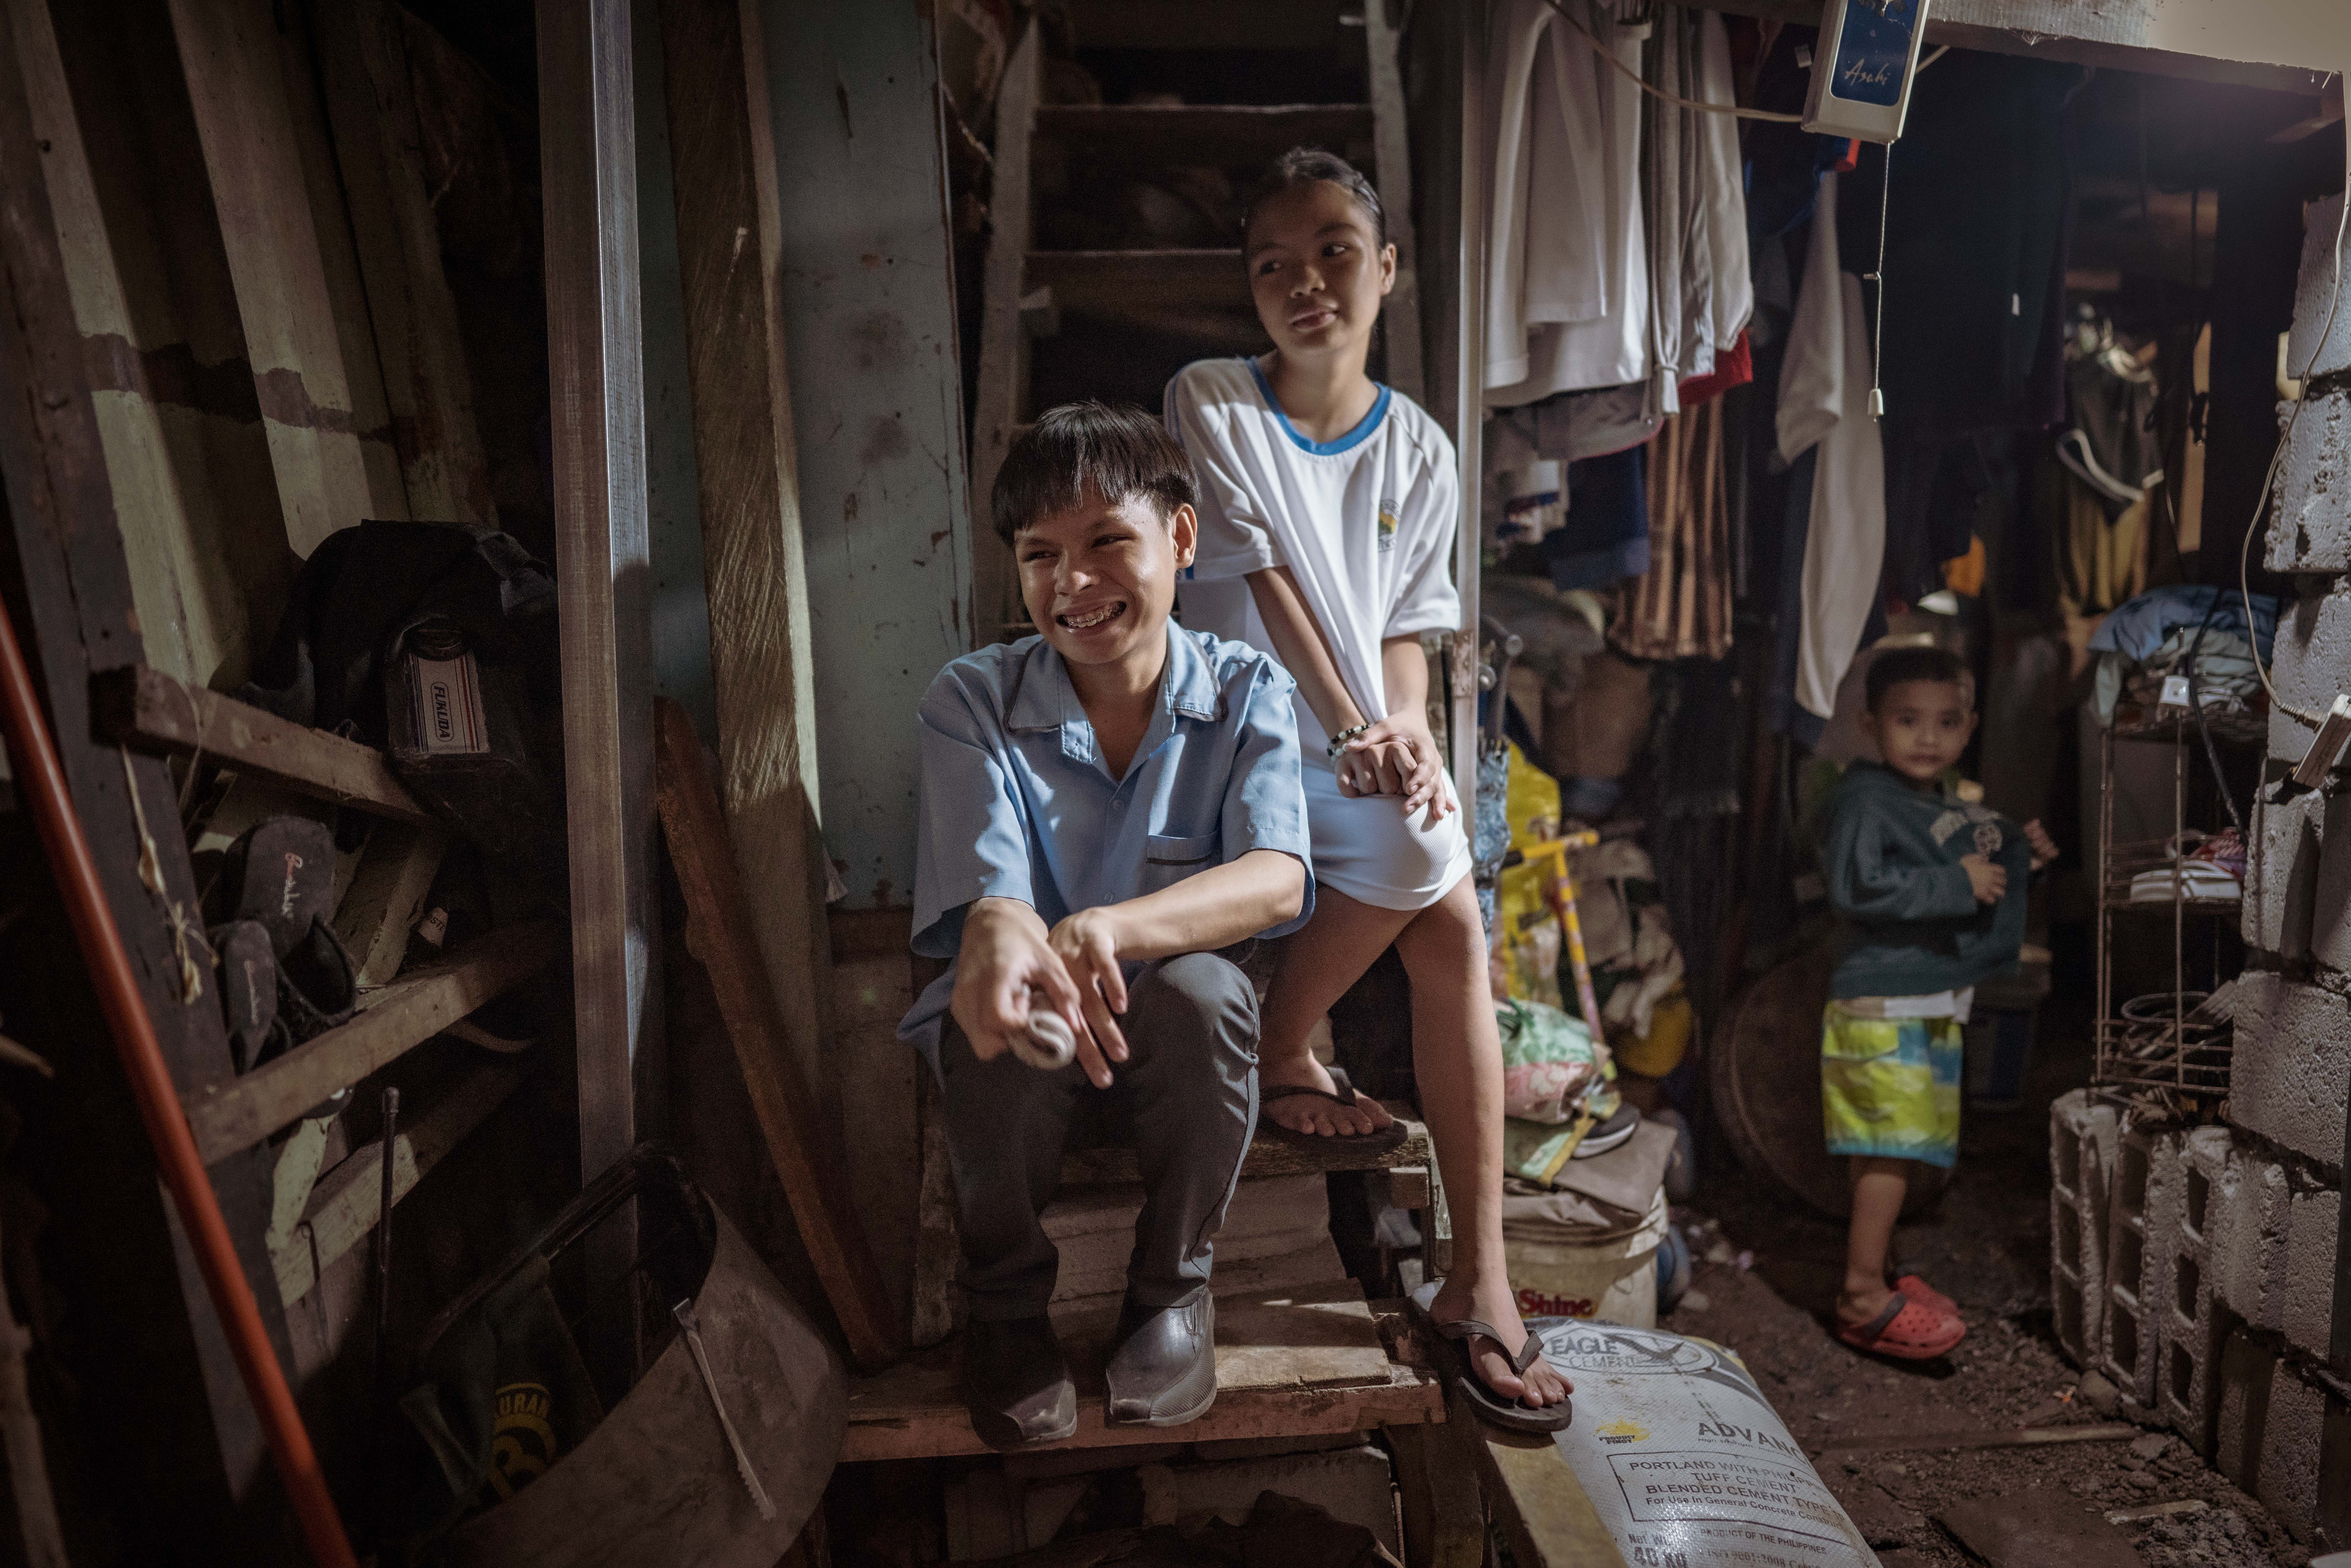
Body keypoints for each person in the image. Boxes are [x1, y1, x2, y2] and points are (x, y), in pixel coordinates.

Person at [1164, 148, 1571, 1429]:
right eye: (1273, 263)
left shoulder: (1426, 449)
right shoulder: (1213, 398)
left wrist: (1404, 732)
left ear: (1386, 269)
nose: (1306, 283)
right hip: (1237, 730)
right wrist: (1360, 738)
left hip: (1348, 738)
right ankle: (1290, 1038)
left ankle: (1480, 1277)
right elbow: (1272, 581)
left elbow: (1405, 629)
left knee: (1453, 913)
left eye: (1334, 250)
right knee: (1422, 872)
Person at [899, 402, 1314, 1447]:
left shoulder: (1246, 687)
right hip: (1025, 1080)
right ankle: (1003, 1307)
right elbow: (990, 899)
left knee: (1205, 987)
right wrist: (1008, 934)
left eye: (1106, 543)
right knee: (987, 1000)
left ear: (1180, 537)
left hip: (1176, 1067)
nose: (1073, 585)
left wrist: (1108, 927)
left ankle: (1171, 1294)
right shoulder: (973, 699)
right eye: (1041, 556)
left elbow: (1276, 878)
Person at [1820, 645, 2057, 1358]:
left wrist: (2019, 865)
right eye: (1908, 720)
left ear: (1971, 726)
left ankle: (1882, 1272)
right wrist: (1960, 884)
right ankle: (1861, 1296)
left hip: (1921, 1001)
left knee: (1889, 1151)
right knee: (1890, 1153)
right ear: (1870, 724)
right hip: (1882, 1007)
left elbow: (1966, 869)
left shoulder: (1938, 806)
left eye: (1948, 721)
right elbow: (1857, 888)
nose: (1929, 737)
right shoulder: (1864, 800)